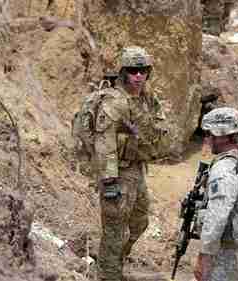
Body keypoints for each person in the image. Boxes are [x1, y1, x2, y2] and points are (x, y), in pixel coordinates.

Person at [93, 46, 167, 281]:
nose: (138, 76)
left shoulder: (147, 97)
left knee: (139, 221)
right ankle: (108, 275)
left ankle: (113, 263)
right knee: (114, 230)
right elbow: (104, 144)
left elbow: (160, 125)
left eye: (143, 70)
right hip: (118, 173)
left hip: (137, 170)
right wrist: (109, 181)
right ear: (123, 72)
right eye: (133, 71)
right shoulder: (114, 102)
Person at [194, 107, 238, 281]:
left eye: (210, 134)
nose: (207, 139)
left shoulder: (224, 168)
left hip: (230, 250)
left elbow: (218, 215)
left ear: (225, 136)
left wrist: (205, 255)